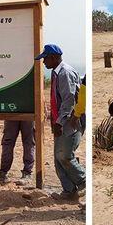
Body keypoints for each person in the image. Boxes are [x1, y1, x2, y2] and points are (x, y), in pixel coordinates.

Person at [35, 44, 85, 200]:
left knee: (64, 155)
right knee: (58, 157)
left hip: (70, 122)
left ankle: (84, 181)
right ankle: (69, 191)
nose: (44, 63)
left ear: (54, 58)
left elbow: (69, 100)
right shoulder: (57, 73)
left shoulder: (65, 73)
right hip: (60, 122)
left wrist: (60, 122)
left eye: (45, 59)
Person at [0, 121, 35, 186]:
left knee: (28, 143)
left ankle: (27, 174)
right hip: (12, 114)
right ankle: (3, 174)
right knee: (8, 142)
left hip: (29, 115)